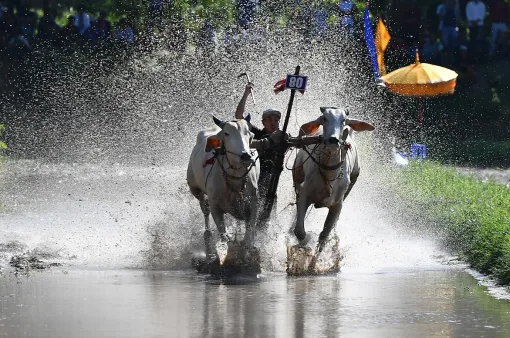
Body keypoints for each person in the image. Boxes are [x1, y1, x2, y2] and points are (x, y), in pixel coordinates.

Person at [234, 82, 287, 224]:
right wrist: (246, 93)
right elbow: (239, 117)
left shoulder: (283, 137)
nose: (273, 122)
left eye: (276, 119)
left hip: (271, 186)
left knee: (267, 221)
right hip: (252, 181)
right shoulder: (256, 133)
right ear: (263, 122)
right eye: (269, 119)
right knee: (247, 214)